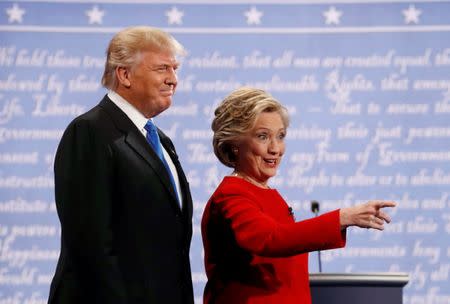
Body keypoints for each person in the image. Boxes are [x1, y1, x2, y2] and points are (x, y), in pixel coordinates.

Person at [201, 87, 396, 304]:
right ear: (235, 144)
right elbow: (270, 239)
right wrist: (341, 218)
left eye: (281, 136)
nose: (275, 148)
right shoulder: (231, 195)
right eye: (263, 136)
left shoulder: (264, 193)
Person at [48, 26, 194, 304]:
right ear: (124, 74)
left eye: (175, 69)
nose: (173, 79)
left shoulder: (159, 139)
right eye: (162, 68)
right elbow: (90, 245)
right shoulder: (90, 131)